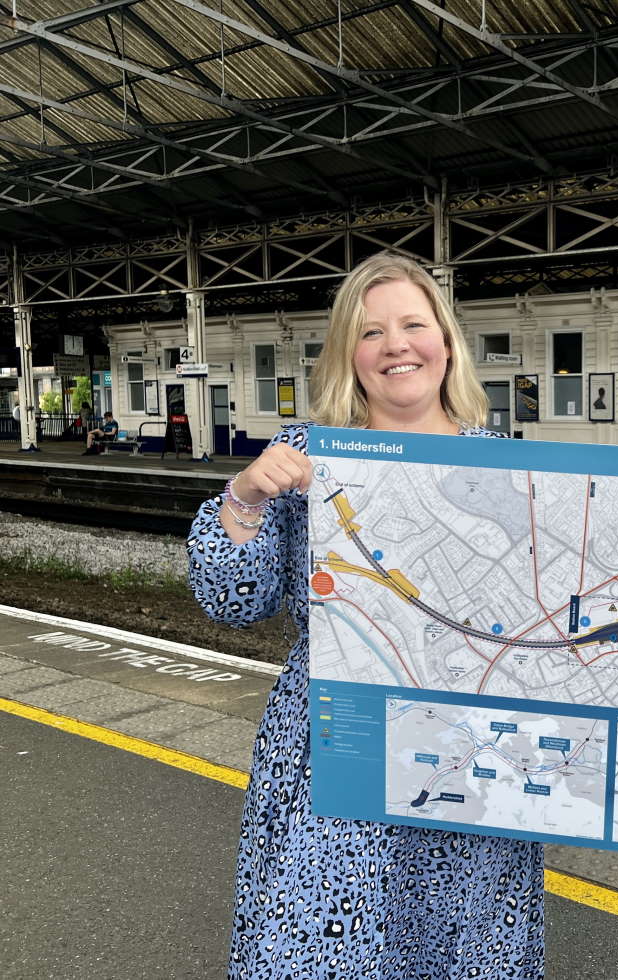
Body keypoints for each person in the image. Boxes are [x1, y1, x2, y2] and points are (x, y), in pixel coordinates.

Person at [187, 252, 545, 980]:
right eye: (372, 331)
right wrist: (245, 497)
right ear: (349, 353)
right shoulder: (304, 458)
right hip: (334, 740)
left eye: (414, 324)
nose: (396, 345)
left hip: (470, 744)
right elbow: (231, 602)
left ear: (446, 341)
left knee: (459, 939)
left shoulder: (515, 467)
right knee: (319, 941)